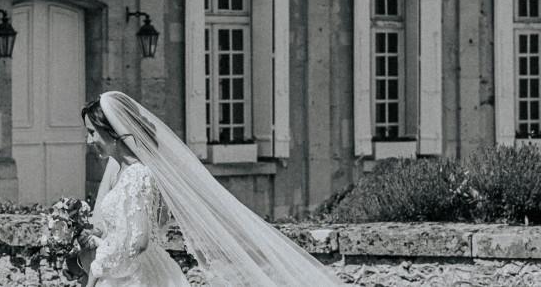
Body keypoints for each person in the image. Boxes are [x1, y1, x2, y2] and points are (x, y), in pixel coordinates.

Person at [80, 91, 344, 287]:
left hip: (135, 277)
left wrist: (98, 264)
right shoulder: (124, 171)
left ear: (112, 132)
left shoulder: (137, 174)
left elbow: (139, 241)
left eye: (92, 132)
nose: (89, 140)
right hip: (129, 272)